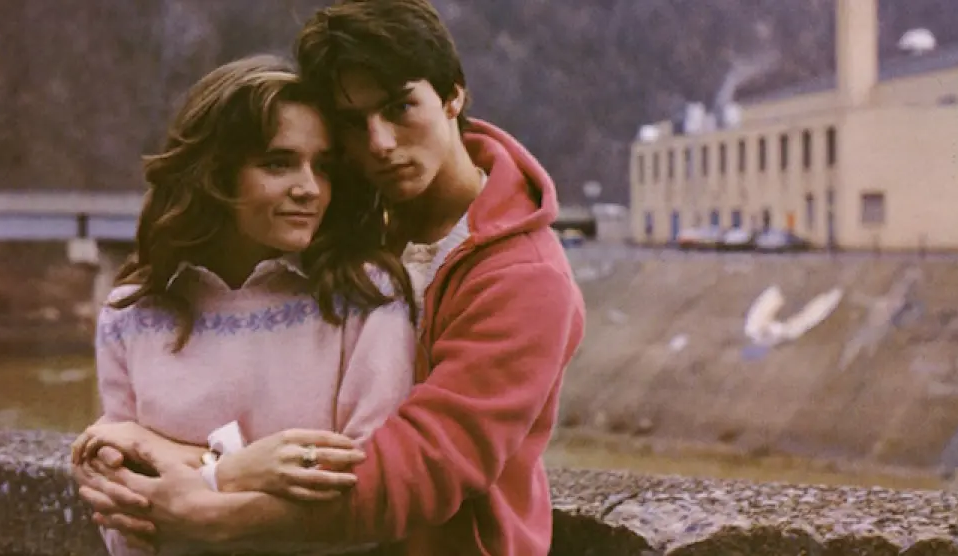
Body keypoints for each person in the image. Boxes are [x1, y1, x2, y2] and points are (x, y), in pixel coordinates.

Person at [77, 1, 586, 554]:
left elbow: (426, 461)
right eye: (352, 123)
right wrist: (164, 458)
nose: (380, 143)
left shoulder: (526, 278)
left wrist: (218, 504)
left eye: (400, 107)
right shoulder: (348, 222)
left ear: (453, 96)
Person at [71, 53, 418, 555]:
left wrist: (191, 469)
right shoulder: (131, 313)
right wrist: (237, 470)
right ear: (214, 173)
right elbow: (128, 518)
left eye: (322, 166)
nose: (309, 189)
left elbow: (365, 493)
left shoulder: (365, 297)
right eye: (278, 163)